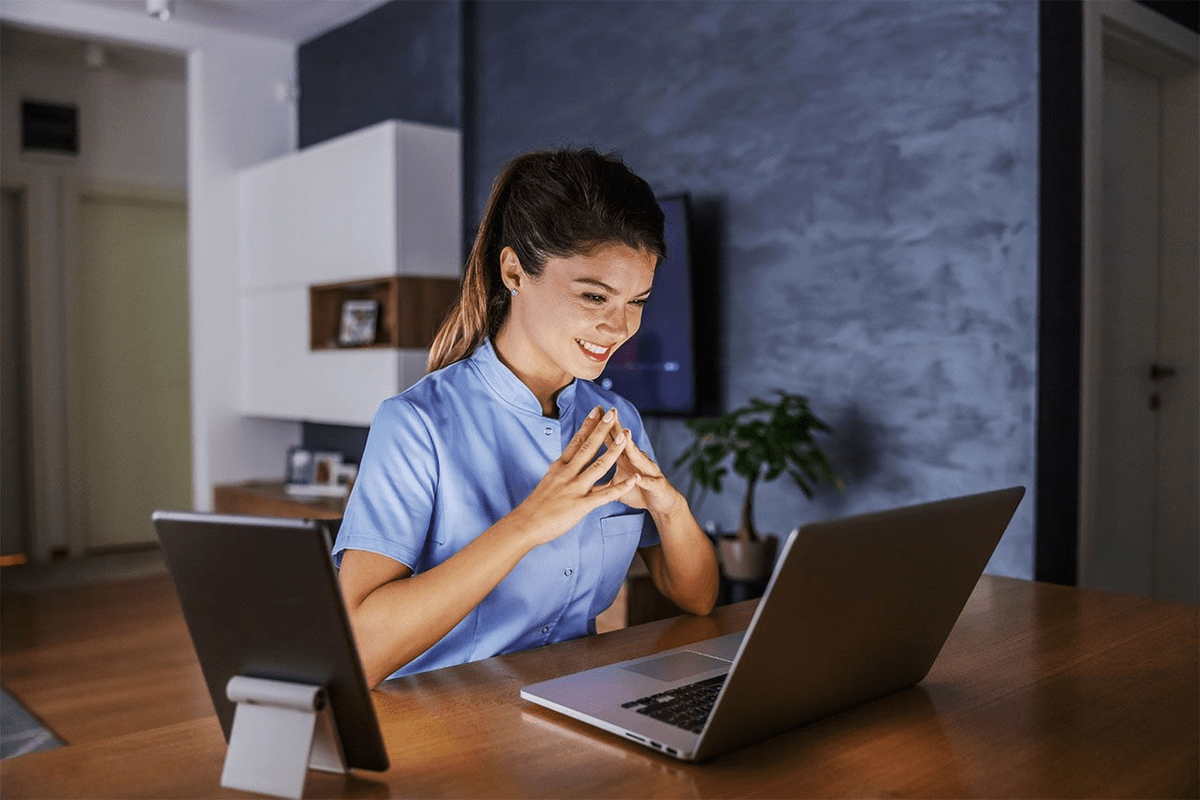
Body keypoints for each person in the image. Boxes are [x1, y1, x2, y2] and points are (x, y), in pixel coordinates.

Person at [333, 148, 720, 687]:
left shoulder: (615, 418)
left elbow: (696, 597)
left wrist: (670, 508)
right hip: (444, 724)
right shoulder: (415, 424)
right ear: (514, 270)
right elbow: (360, 649)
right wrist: (528, 524)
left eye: (638, 301)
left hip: (576, 708)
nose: (619, 327)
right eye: (593, 296)